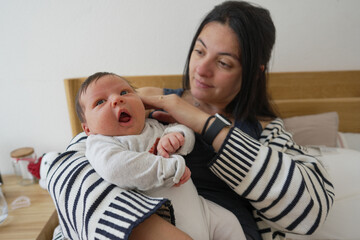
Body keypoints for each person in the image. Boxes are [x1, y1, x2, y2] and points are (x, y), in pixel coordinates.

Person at [47, 1, 334, 240]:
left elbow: (310, 210)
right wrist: (150, 229)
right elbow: (69, 164)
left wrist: (203, 122)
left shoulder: (266, 130)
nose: (201, 70)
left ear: (254, 73)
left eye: (223, 63)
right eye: (199, 51)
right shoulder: (145, 100)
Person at [75, 72, 246, 240]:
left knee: (229, 222)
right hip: (163, 222)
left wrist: (177, 137)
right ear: (88, 128)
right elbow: (114, 167)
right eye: (100, 102)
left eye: (124, 92)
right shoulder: (100, 143)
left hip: (201, 212)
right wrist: (168, 169)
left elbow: (185, 132)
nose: (116, 99)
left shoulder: (154, 125)